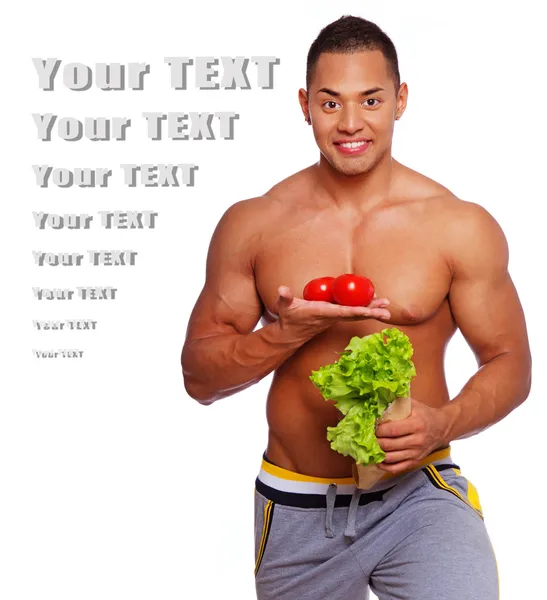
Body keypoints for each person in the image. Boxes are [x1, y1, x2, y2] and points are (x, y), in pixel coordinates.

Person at [181, 15, 532, 600]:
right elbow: (200, 378)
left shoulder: (457, 225)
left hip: (420, 496)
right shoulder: (254, 225)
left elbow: (510, 362)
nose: (350, 124)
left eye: (370, 100)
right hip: (296, 506)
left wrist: (441, 423)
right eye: (330, 102)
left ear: (400, 100)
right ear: (304, 104)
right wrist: (284, 332)